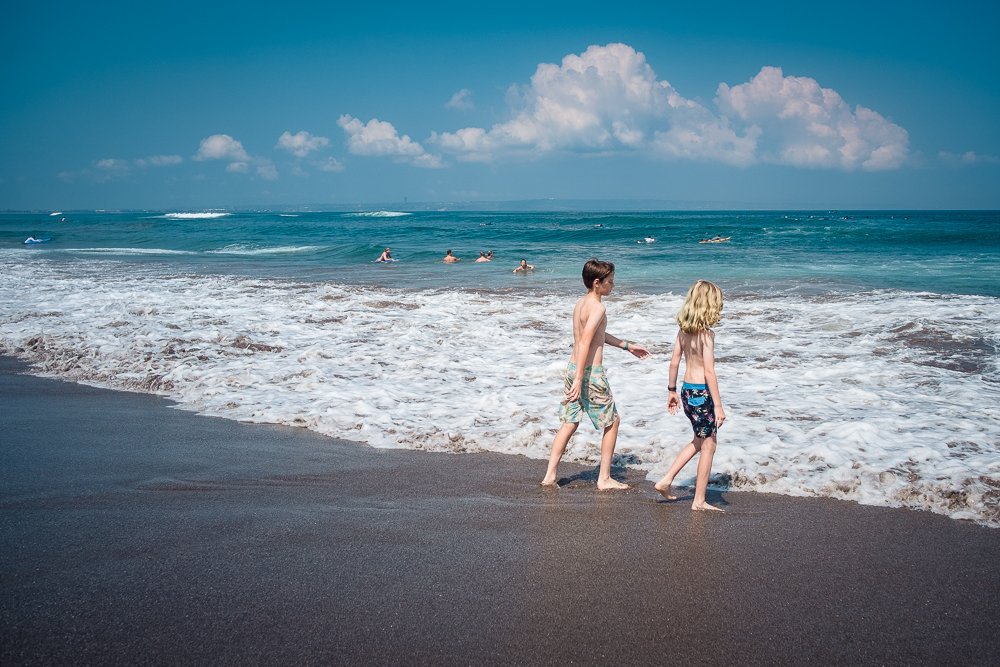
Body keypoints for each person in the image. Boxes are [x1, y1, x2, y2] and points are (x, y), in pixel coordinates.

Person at [541, 259, 650, 489]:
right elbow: (585, 342)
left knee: (570, 422)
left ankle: (549, 475)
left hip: (572, 368)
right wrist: (581, 378)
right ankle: (604, 478)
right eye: (610, 281)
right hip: (589, 373)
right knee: (612, 421)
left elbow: (597, 333)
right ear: (597, 282)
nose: (614, 285)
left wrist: (627, 346)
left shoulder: (581, 303)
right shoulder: (599, 307)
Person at [654, 280, 727, 511]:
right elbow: (709, 371)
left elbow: (674, 361)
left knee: (698, 440)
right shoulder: (707, 335)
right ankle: (699, 500)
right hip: (703, 393)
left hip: (686, 391)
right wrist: (718, 405)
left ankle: (666, 480)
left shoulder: (683, 331)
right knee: (709, 444)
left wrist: (672, 391)